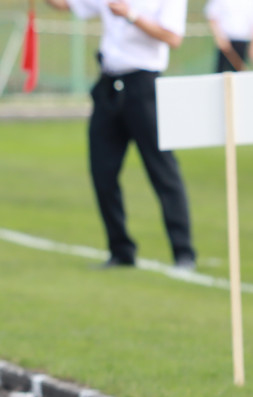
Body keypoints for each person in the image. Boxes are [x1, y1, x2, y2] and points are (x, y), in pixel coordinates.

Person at [42, 0, 197, 270]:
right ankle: (121, 250)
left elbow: (173, 37)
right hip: (109, 85)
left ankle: (183, 252)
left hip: (144, 86)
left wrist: (131, 15)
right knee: (102, 173)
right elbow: (65, 4)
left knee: (163, 171)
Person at [205, 0, 253, 72]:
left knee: (240, 75)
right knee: (221, 74)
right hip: (226, 42)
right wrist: (219, 38)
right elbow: (212, 15)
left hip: (244, 41)